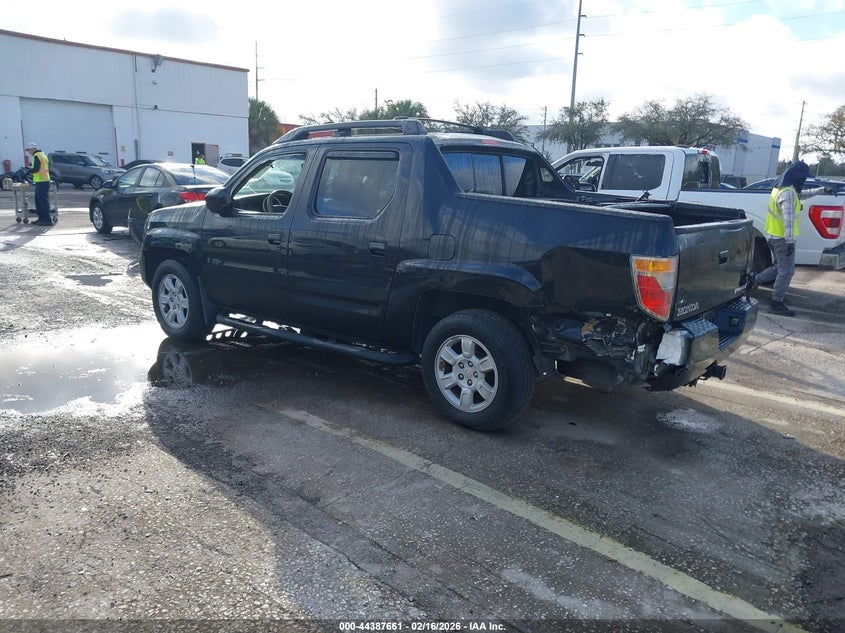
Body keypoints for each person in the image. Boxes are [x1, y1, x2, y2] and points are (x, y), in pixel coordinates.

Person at [753, 160, 836, 316]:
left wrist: (821, 190)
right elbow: (788, 220)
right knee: (786, 272)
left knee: (779, 267)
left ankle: (753, 282)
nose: (803, 180)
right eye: (803, 178)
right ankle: (776, 303)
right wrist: (790, 242)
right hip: (783, 239)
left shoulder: (783, 189)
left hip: (774, 236)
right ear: (797, 177)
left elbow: (801, 195)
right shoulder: (788, 194)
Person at [25, 143, 53, 226]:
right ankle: (41, 219)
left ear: (32, 149)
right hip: (43, 180)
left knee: (42, 201)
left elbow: (36, 169)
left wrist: (29, 171)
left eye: (29, 150)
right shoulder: (42, 155)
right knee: (39, 200)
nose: (29, 152)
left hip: (42, 181)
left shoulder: (37, 156)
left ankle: (47, 220)